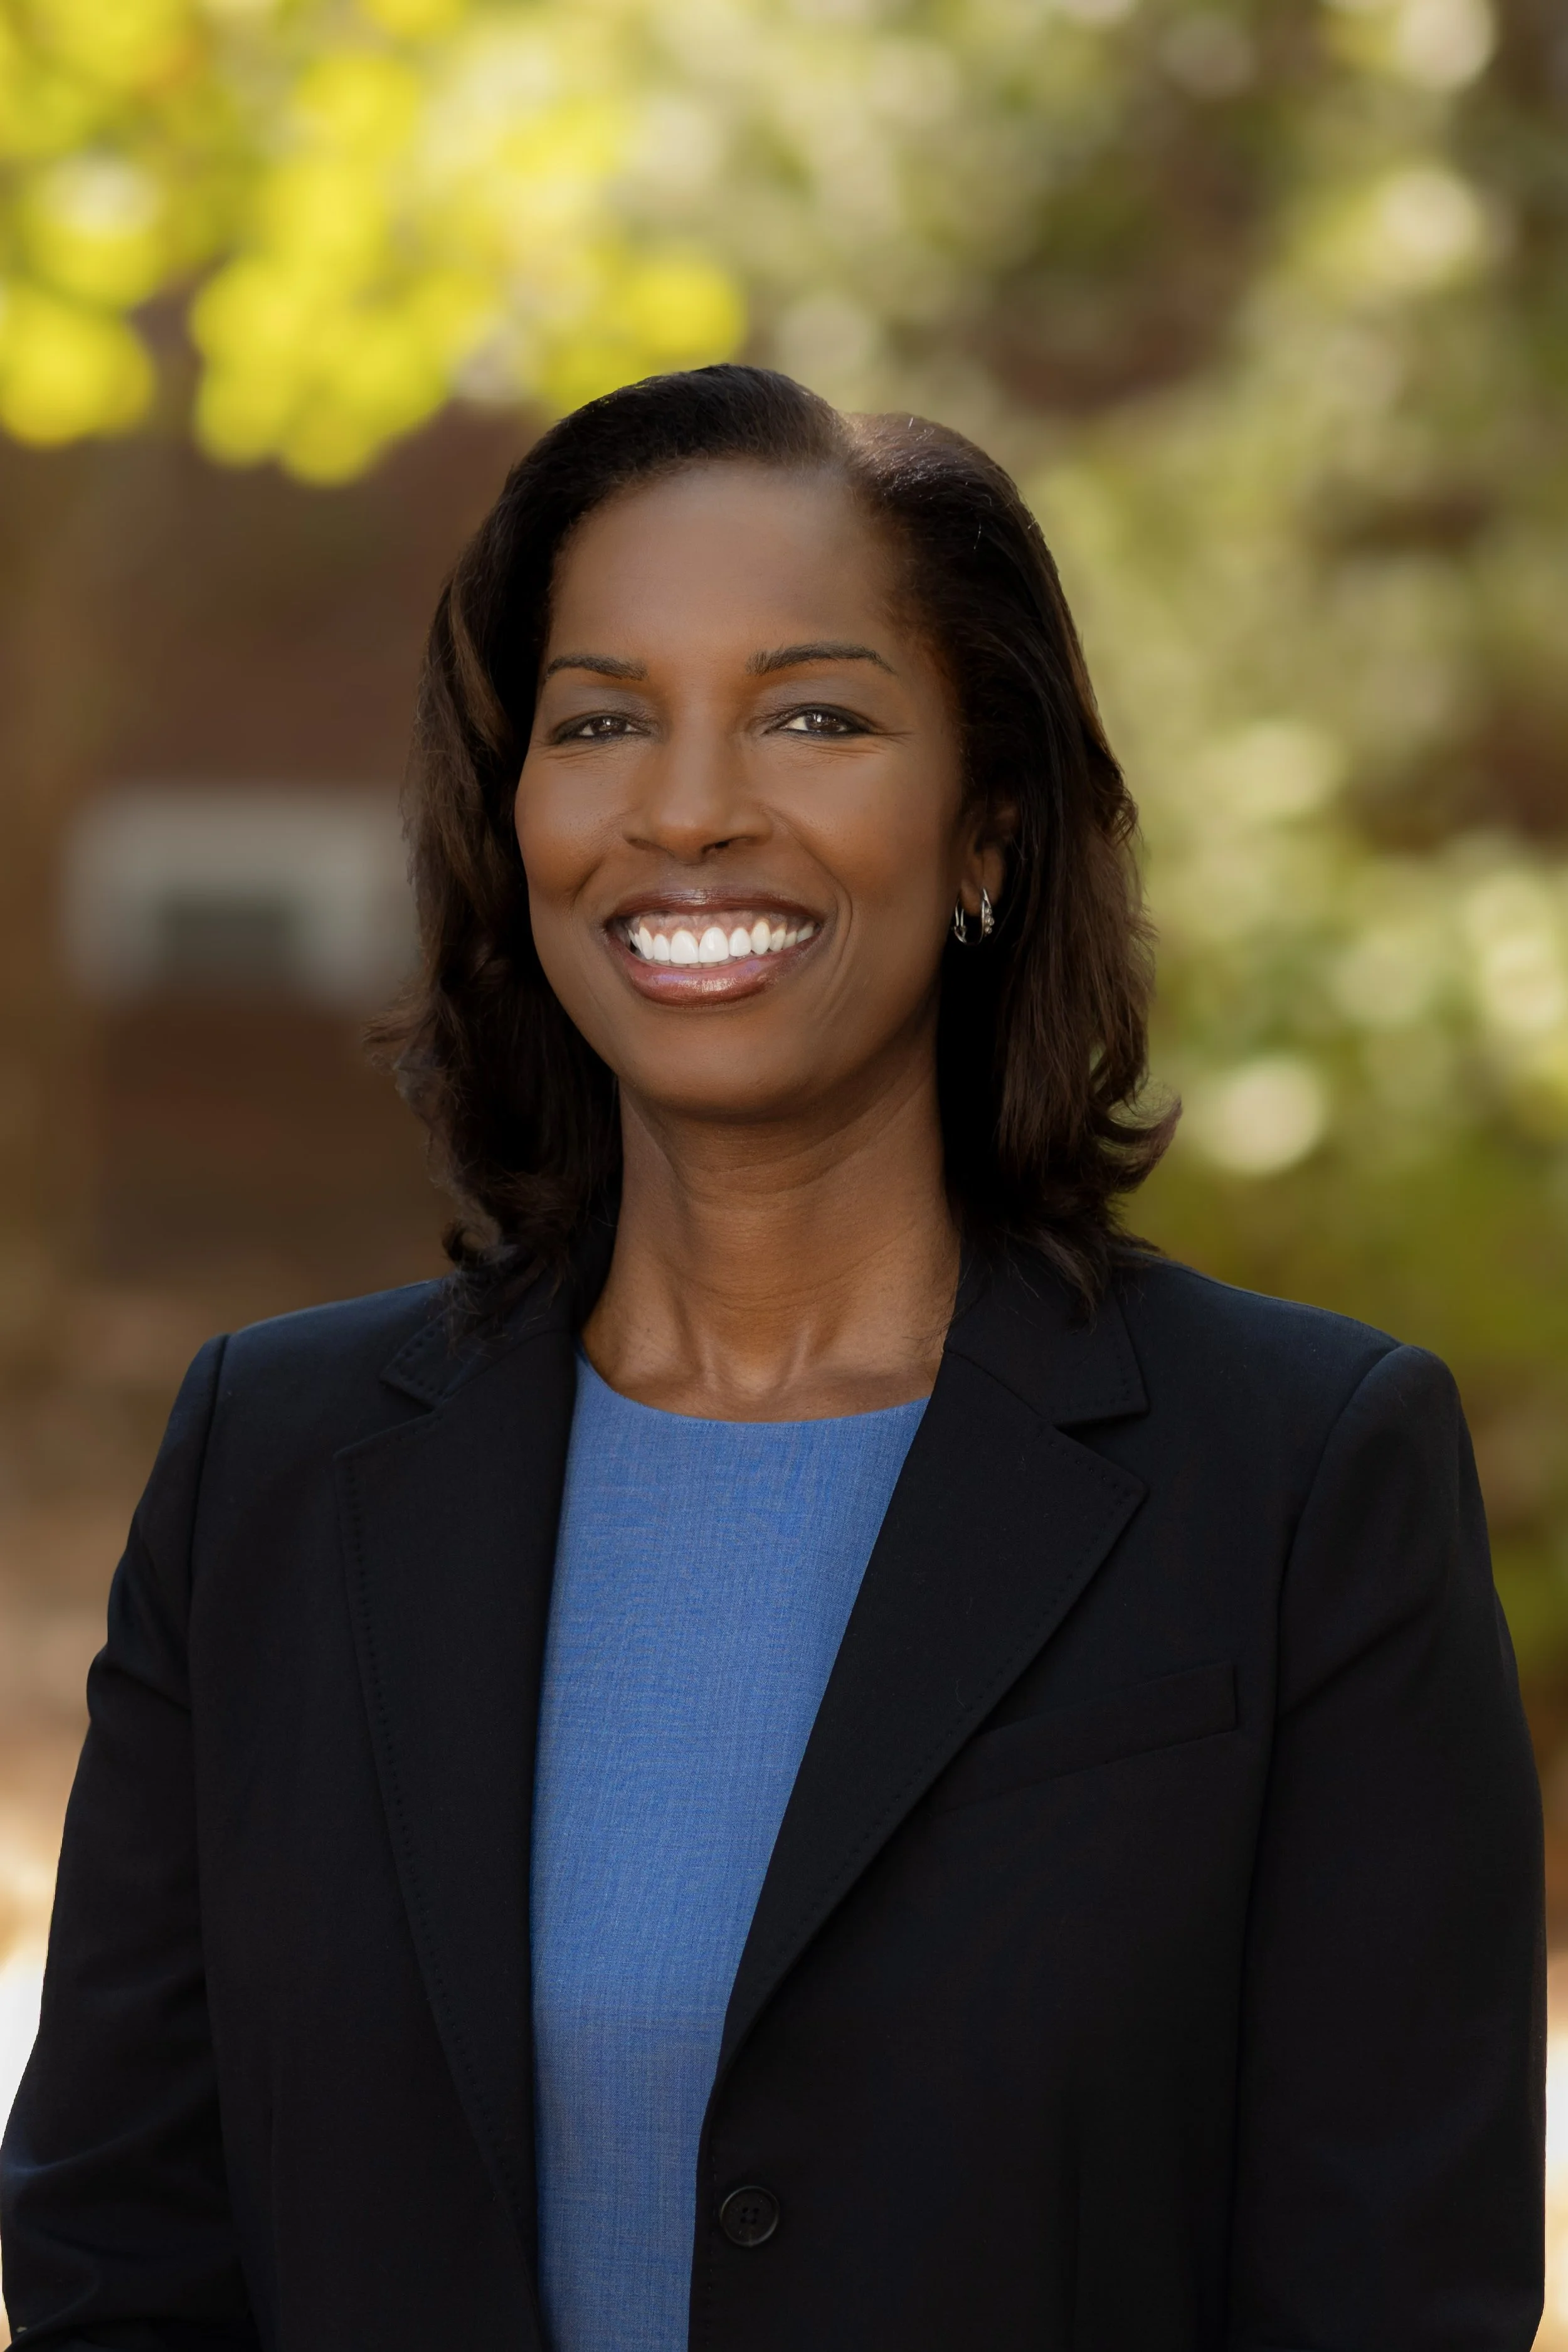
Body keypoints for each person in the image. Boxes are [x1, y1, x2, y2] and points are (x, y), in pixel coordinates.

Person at [0, 364, 1544, 2352]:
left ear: (987, 824)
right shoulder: (266, 1467)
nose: (690, 807)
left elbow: (1386, 2291)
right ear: (519, 813)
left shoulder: (1303, 1477)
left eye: (812, 714)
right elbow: (125, 2244)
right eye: (601, 719)